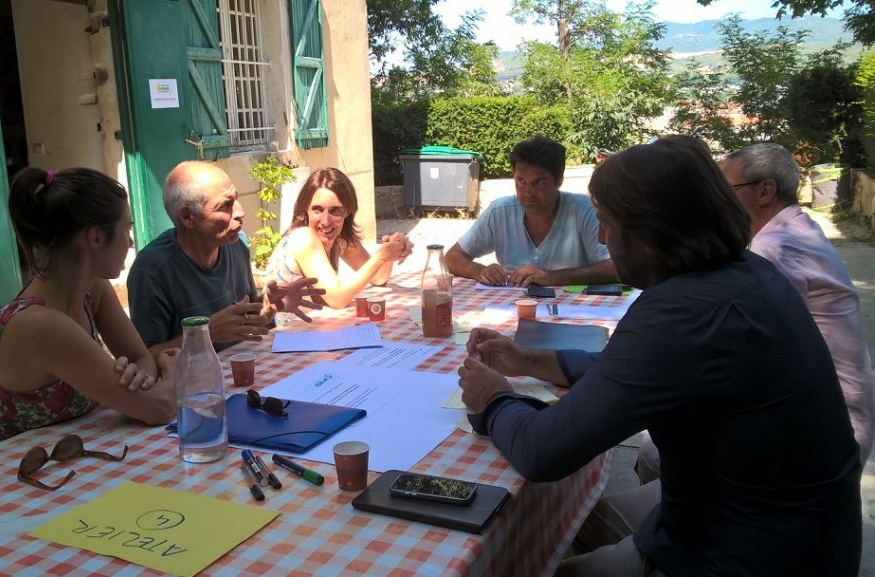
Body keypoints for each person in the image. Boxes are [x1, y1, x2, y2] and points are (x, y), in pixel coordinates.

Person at [458, 137, 862, 576]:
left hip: (746, 554)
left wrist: (494, 399)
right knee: (563, 522)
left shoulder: (681, 312)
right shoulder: (744, 272)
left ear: (650, 232)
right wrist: (530, 361)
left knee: (554, 554)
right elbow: (640, 372)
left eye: (608, 223)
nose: (600, 236)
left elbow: (542, 451)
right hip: (790, 522)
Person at [635, 143, 875, 483]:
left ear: (765, 191)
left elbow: (716, 342)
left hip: (824, 427)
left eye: (724, 190)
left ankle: (675, 530)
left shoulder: (774, 248)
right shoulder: (792, 228)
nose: (714, 201)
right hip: (819, 409)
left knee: (655, 447)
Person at [0, 168, 177, 455]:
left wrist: (138, 385)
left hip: (63, 466)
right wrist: (172, 371)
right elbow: (159, 407)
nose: (130, 241)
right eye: (126, 229)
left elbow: (140, 358)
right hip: (0, 482)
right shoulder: (39, 325)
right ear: (96, 238)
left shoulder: (93, 290)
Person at [127, 161, 325, 353]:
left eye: (236, 199)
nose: (240, 212)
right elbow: (145, 361)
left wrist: (268, 305)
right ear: (188, 217)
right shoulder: (152, 271)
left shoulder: (236, 244)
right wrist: (205, 333)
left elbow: (243, 322)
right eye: (225, 206)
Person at [445, 135, 616, 287]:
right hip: (512, 310)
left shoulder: (584, 211)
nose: (528, 192)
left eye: (539, 182)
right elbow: (452, 257)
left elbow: (616, 267)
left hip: (574, 312)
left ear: (559, 181)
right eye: (521, 181)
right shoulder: (500, 212)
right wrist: (479, 271)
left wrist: (551, 277)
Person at [266, 167, 412, 309]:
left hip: (312, 326)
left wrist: (391, 249)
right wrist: (381, 256)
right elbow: (337, 299)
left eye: (335, 210)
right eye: (317, 209)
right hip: (282, 330)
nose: (325, 221)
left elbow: (378, 278)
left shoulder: (340, 239)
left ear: (348, 211)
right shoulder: (304, 238)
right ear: (306, 209)